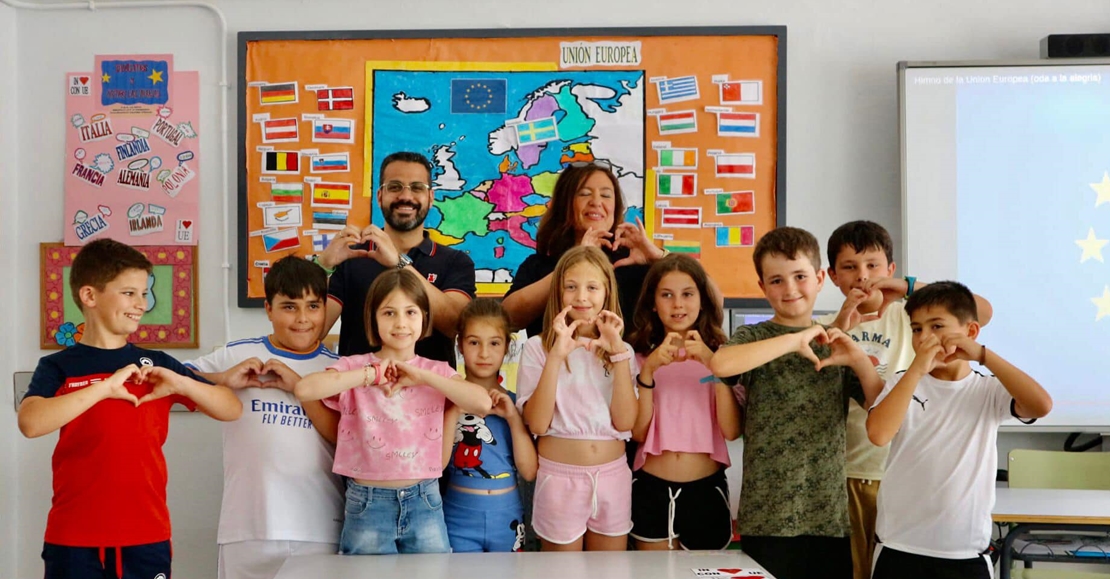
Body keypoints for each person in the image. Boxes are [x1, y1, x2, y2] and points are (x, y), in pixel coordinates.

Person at [17, 238, 242, 579]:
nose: (141, 304)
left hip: (146, 534)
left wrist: (182, 383)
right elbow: (31, 422)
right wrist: (104, 388)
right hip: (73, 537)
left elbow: (230, 407)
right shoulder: (58, 366)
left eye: (143, 293)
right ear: (90, 296)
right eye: (129, 293)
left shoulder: (158, 363)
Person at [818, 220, 994, 579]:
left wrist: (910, 288)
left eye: (873, 266)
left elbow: (981, 310)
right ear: (834, 276)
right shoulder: (826, 322)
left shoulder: (912, 316)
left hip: (898, 473)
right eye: (849, 267)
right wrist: (842, 321)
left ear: (891, 270)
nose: (862, 276)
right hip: (844, 472)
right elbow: (817, 364)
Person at [707, 227, 883, 579]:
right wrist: (794, 340)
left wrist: (859, 359)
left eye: (800, 276)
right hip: (766, 515)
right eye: (776, 280)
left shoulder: (835, 341)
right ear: (762, 287)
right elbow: (720, 364)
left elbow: (878, 405)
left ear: (819, 279)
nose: (789, 289)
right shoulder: (755, 336)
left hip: (828, 516)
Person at [294, 269, 492, 555]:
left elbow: (481, 403)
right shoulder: (355, 366)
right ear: (373, 318)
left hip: (425, 499)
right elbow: (306, 389)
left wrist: (423, 377)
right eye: (389, 313)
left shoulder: (436, 372)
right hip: (367, 501)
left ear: (424, 317)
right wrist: (371, 375)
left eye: (410, 312)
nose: (401, 323)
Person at [867, 281, 1051, 579]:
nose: (925, 337)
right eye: (916, 329)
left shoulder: (988, 390)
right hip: (899, 548)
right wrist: (916, 369)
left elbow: (1041, 405)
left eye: (936, 326)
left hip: (965, 553)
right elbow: (878, 434)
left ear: (971, 332)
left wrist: (983, 355)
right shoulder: (900, 383)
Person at [184, 255, 343, 579]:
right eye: (289, 306)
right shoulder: (237, 354)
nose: (302, 318)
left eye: (313, 306)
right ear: (268, 308)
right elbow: (171, 379)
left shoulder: (340, 368)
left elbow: (345, 441)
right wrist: (222, 379)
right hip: (246, 528)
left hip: (319, 527)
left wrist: (300, 388)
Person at [516, 246, 639, 551]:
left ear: (606, 292)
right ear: (558, 292)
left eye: (592, 287)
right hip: (559, 479)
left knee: (610, 574)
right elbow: (538, 423)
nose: (581, 297)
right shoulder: (537, 348)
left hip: (613, 478)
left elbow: (626, 421)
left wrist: (619, 354)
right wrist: (557, 355)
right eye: (571, 287)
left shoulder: (623, 351)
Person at [504, 161, 701, 338]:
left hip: (626, 373)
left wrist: (658, 257)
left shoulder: (632, 261)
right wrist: (573, 263)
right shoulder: (541, 264)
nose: (596, 202)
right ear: (566, 203)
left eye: (606, 195)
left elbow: (710, 303)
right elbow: (507, 319)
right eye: (585, 194)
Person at [626, 254, 741, 551]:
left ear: (702, 300)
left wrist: (713, 365)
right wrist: (649, 370)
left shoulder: (723, 356)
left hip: (706, 489)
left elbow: (731, 430)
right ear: (653, 303)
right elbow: (638, 433)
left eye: (687, 294)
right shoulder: (637, 358)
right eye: (667, 295)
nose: (678, 304)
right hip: (650, 488)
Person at [316, 151, 476, 363]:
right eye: (394, 187)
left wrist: (399, 263)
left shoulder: (456, 262)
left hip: (431, 392)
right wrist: (323, 265)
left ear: (430, 198)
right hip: (359, 391)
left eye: (417, 188)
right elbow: (312, 333)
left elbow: (456, 325)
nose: (406, 197)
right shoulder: (352, 256)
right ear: (380, 196)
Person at [442, 298, 539, 552]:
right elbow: (434, 466)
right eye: (474, 342)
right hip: (457, 515)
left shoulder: (516, 404)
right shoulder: (447, 401)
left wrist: (513, 419)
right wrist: (453, 410)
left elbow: (529, 472)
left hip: (506, 516)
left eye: (494, 343)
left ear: (507, 347)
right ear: (460, 345)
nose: (484, 353)